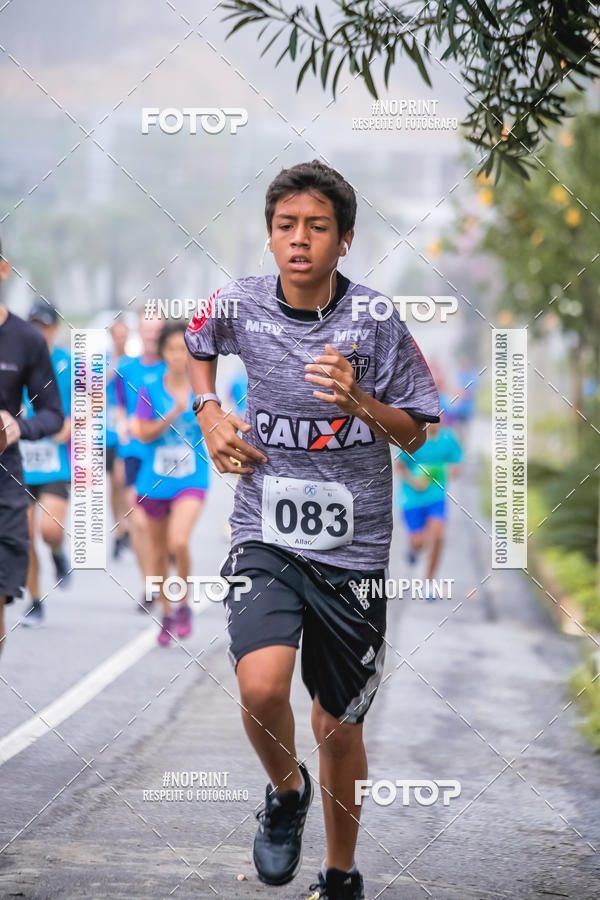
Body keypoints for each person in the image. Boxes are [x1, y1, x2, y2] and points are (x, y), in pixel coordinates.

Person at [185, 160, 440, 900]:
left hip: (354, 554)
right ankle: (286, 793)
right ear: (270, 238)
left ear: (345, 239)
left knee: (337, 724)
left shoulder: (376, 322)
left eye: (317, 227)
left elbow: (417, 433)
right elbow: (196, 345)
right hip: (265, 531)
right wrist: (209, 415)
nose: (300, 239)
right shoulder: (239, 304)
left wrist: (360, 400)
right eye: (286, 226)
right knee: (262, 685)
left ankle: (339, 874)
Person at [0, 239, 64, 657]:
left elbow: (53, 415)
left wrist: (17, 426)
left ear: (3, 270)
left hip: (5, 480)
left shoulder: (26, 339)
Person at [133, 321, 209, 645]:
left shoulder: (202, 387)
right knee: (159, 552)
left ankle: (184, 605)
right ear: (163, 352)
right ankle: (165, 614)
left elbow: (214, 427)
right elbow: (142, 432)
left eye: (185, 349)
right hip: (154, 480)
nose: (179, 356)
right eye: (173, 349)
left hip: (192, 477)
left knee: (179, 542)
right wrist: (172, 414)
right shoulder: (149, 387)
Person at [19, 301, 72, 626]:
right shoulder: (13, 359)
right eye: (34, 325)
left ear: (54, 329)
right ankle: (35, 601)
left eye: (45, 326)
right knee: (23, 538)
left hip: (55, 461)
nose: (40, 331)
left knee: (49, 530)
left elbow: (89, 401)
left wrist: (68, 426)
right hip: (19, 462)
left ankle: (56, 553)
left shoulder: (66, 363)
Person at [114, 311, 165, 610]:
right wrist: (122, 424)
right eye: (146, 330)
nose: (151, 336)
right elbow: (120, 406)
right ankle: (148, 584)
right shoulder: (126, 368)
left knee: (162, 524)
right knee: (138, 518)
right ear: (139, 331)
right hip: (134, 450)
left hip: (163, 451)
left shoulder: (172, 366)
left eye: (156, 330)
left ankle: (161, 575)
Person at [395, 419, 462, 598]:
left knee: (438, 536)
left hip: (436, 499)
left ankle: (429, 583)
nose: (435, 422)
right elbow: (399, 466)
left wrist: (453, 470)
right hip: (412, 500)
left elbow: (457, 464)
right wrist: (413, 481)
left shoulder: (447, 439)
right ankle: (412, 549)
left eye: (438, 418)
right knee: (419, 543)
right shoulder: (412, 440)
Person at [106, 318, 131, 559]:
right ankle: (118, 528)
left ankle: (125, 528)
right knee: (111, 486)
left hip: (124, 431)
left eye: (125, 334)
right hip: (104, 431)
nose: (121, 339)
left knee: (121, 480)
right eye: (117, 334)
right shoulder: (105, 360)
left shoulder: (133, 362)